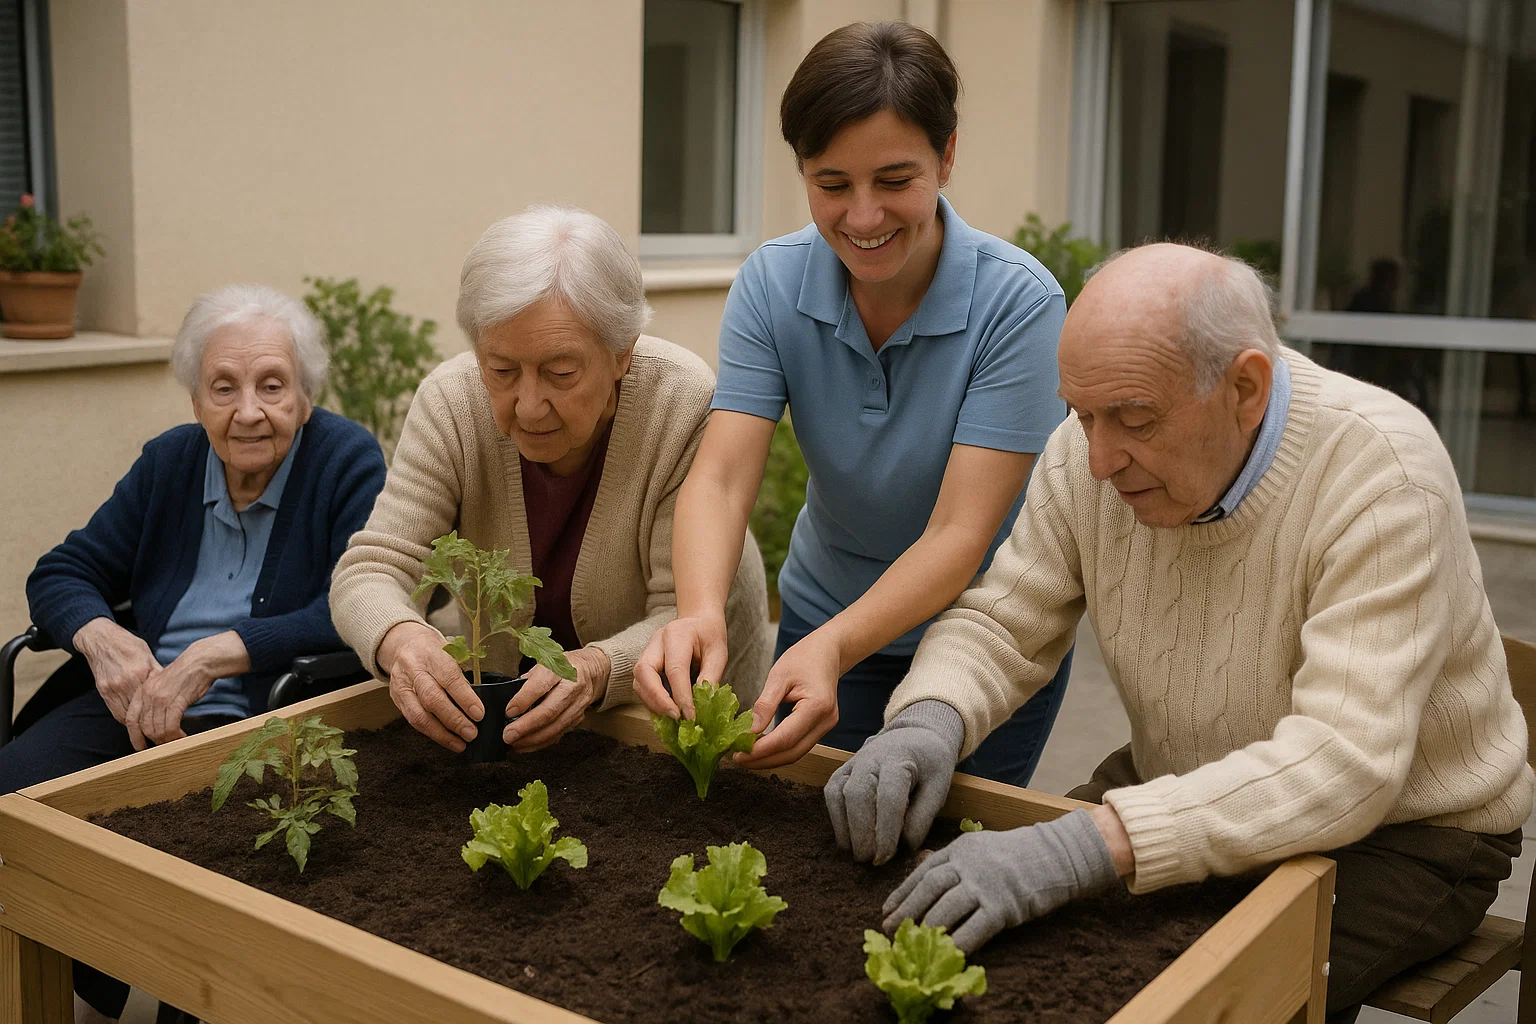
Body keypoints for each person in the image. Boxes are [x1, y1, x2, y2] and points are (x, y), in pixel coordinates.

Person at [827, 243, 1534, 1022]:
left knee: (1194, 995)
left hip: (1406, 835)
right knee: (999, 952)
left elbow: (1344, 762)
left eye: (1134, 420)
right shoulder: (1091, 447)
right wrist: (930, 717)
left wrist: (1080, 849)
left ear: (1246, 388)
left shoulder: (1382, 477)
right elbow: (1005, 619)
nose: (1097, 459)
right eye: (1080, 413)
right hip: (1181, 779)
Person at [634, 21, 1072, 782]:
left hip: (984, 636)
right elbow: (722, 477)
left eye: (895, 181)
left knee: (946, 859)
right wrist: (699, 611)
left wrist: (834, 646)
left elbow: (959, 533)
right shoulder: (770, 285)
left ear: (947, 155)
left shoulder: (1021, 304)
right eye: (831, 185)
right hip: (822, 612)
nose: (863, 218)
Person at [3, 283, 386, 1023]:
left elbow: (359, 603)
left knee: (192, 875)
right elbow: (61, 571)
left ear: (305, 396)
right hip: (136, 696)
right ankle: (72, 976)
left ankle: (174, 992)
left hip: (259, 715)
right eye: (224, 387)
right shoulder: (170, 463)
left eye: (273, 385)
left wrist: (223, 653)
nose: (248, 410)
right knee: (14, 798)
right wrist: (101, 637)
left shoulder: (345, 459)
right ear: (196, 400)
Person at [330, 206, 771, 755]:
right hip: (508, 723)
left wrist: (592, 670)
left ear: (621, 355)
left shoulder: (678, 402)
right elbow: (370, 570)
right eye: (502, 370)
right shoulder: (450, 403)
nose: (530, 405)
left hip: (665, 725)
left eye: (561, 373)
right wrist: (402, 640)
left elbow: (682, 618)